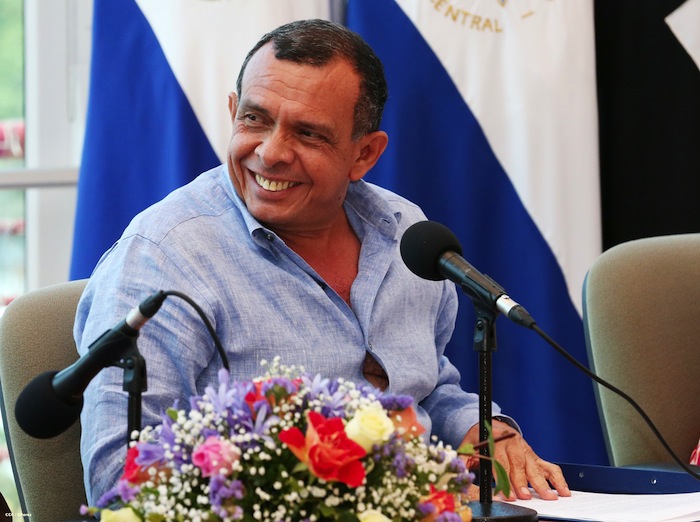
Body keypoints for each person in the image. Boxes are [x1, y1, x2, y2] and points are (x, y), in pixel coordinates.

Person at [75, 19, 570, 505]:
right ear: (232, 112)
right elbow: (122, 475)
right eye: (254, 119)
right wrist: (360, 493)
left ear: (365, 154)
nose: (270, 153)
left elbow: (424, 382)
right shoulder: (164, 256)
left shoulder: (406, 233)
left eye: (308, 134)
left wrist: (484, 432)